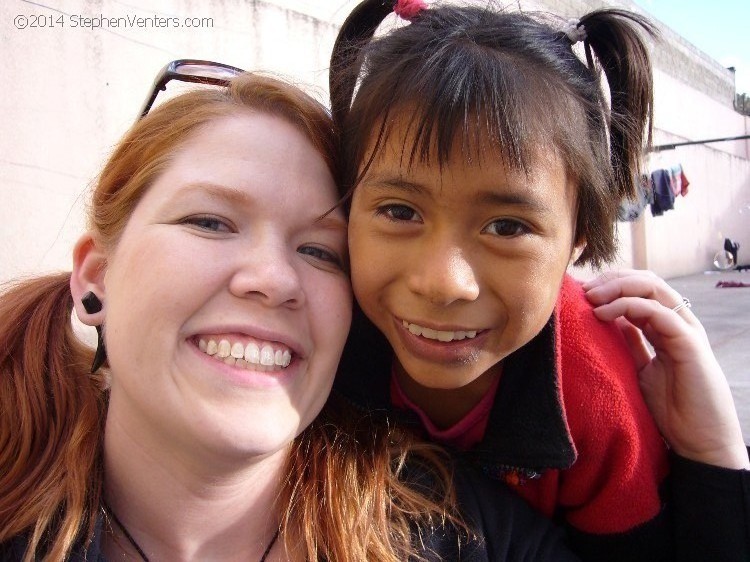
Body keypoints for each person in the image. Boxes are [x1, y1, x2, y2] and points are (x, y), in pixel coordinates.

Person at [0, 67, 590, 561]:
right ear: (95, 275)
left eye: (319, 251)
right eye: (210, 222)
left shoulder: (470, 537)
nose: (275, 279)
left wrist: (688, 461)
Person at [329, 1, 750, 559]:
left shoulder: (597, 394)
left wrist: (713, 453)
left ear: (578, 238)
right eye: (400, 212)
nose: (443, 284)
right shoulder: (319, 330)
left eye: (508, 226)